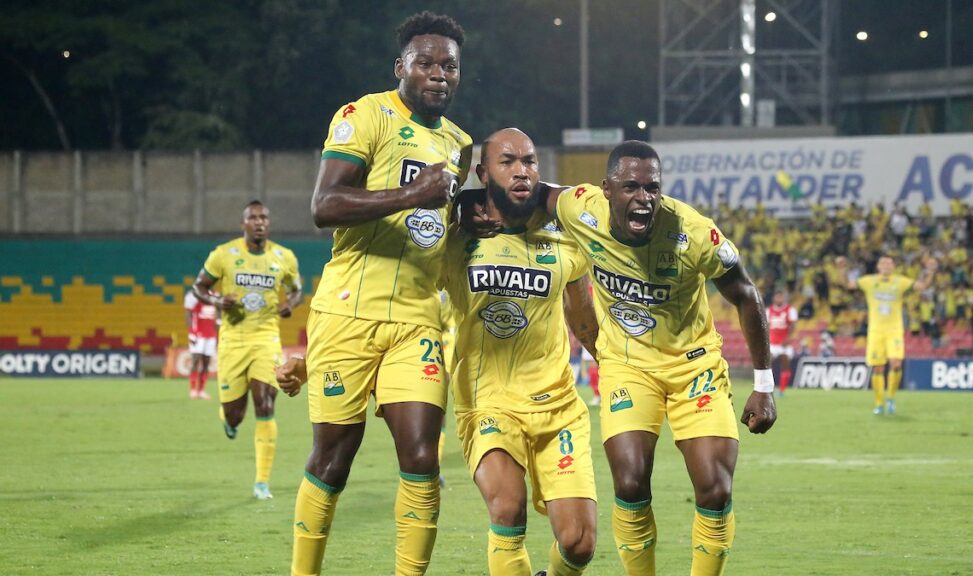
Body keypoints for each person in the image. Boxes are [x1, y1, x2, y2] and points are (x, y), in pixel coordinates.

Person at [288, 12, 473, 576]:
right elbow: (324, 206)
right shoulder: (365, 114)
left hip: (417, 322)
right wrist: (411, 193)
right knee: (333, 459)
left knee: (422, 456)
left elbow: (439, 235)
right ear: (401, 67)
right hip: (347, 314)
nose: (439, 74)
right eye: (426, 63)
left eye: (450, 66)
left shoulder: (460, 145)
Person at [541, 141, 777, 575]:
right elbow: (537, 194)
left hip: (694, 366)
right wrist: (475, 204)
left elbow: (746, 294)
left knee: (714, 489)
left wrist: (764, 386)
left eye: (652, 188)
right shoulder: (580, 209)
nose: (644, 198)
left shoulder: (693, 232)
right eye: (631, 186)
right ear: (606, 189)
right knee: (630, 480)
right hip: (628, 367)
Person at [446, 128, 600, 575]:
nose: (521, 171)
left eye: (530, 161)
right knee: (507, 508)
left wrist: (615, 364)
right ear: (482, 173)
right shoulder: (456, 239)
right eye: (508, 161)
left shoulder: (564, 239)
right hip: (487, 403)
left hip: (557, 408)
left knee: (579, 542)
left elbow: (582, 316)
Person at [192, 199, 304, 500]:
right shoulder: (223, 255)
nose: (260, 222)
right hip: (232, 341)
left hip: (266, 339)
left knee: (266, 403)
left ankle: (262, 482)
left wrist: (289, 305)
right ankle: (228, 421)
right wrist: (218, 301)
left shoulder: (284, 257)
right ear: (244, 224)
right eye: (253, 218)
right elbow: (198, 287)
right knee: (235, 414)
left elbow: (297, 290)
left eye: (264, 217)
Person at [850, 254, 935, 415]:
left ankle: (890, 398)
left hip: (894, 330)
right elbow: (847, 284)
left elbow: (923, 286)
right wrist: (841, 269)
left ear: (893, 267)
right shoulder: (869, 281)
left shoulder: (900, 282)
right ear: (878, 266)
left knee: (896, 363)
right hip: (875, 331)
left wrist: (930, 271)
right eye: (883, 263)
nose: (886, 265)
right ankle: (878, 402)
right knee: (878, 368)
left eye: (889, 263)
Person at [184, 288, 217, 400]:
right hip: (198, 334)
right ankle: (193, 390)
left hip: (211, 335)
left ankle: (201, 390)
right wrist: (191, 333)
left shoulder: (215, 295)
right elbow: (188, 314)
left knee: (206, 363)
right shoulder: (193, 295)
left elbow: (217, 314)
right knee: (196, 360)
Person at [766, 289, 798, 396]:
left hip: (784, 343)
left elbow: (793, 326)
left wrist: (788, 339)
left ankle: (781, 390)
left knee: (785, 364)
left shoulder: (790, 310)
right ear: (773, 298)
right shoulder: (768, 311)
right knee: (766, 364)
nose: (779, 299)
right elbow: (765, 326)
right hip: (772, 343)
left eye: (781, 296)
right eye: (777, 296)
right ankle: (768, 388)